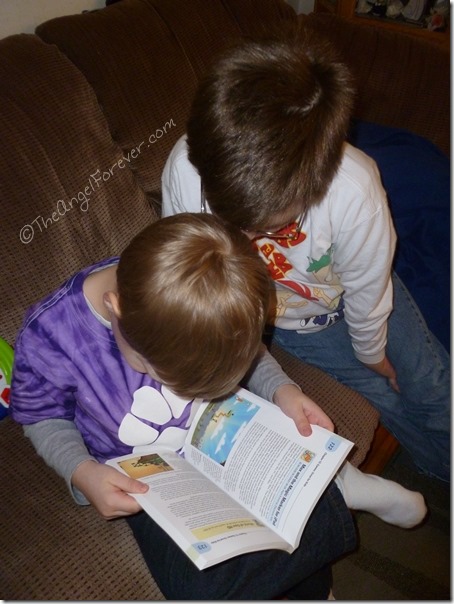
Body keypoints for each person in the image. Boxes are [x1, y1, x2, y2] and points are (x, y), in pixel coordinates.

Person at [11, 213, 426, 601]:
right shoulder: (50, 336)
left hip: (224, 430)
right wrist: (82, 472)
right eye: (154, 369)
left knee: (284, 518)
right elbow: (39, 413)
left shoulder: (210, 291)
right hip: (142, 473)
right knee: (197, 587)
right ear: (115, 308)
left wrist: (282, 390)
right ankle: (337, 489)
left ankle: (325, 532)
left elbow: (250, 355)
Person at [161, 27, 451, 483]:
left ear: (314, 183)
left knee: (430, 383)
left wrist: (373, 351)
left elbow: (368, 288)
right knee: (389, 398)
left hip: (360, 300)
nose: (245, 237)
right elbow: (202, 284)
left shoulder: (354, 188)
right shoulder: (185, 167)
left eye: (267, 226)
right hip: (291, 322)